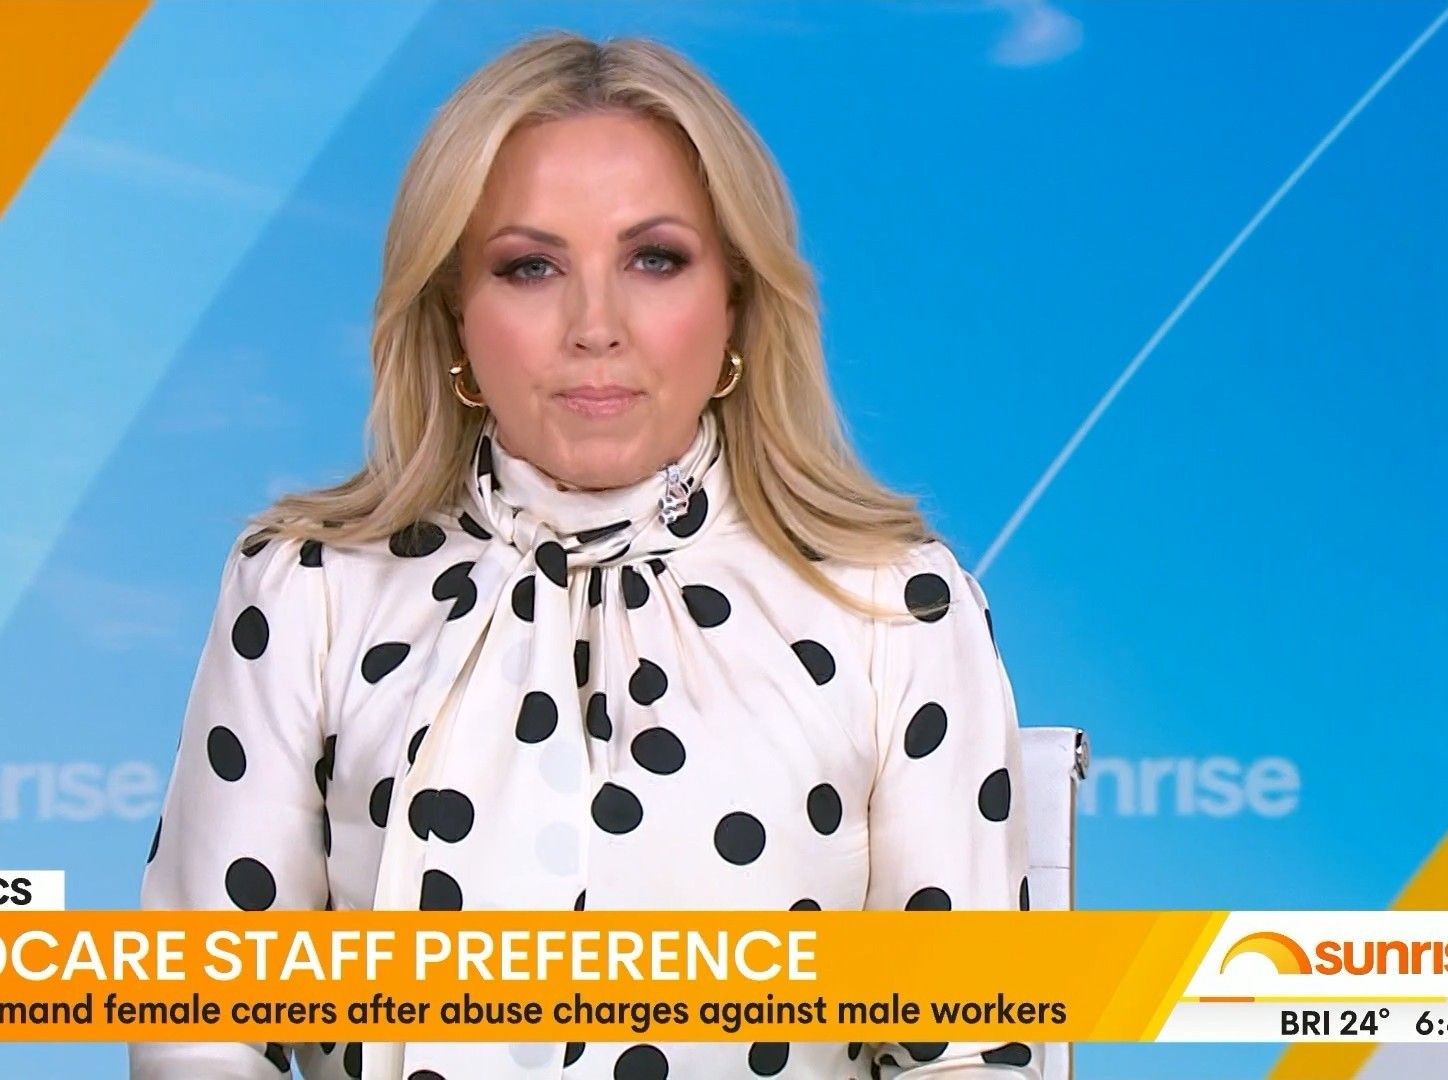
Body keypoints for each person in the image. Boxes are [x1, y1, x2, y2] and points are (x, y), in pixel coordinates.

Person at [132, 29, 1038, 1080]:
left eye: (655, 260)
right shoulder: (306, 590)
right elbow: (203, 1026)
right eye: (531, 267)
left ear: (738, 303)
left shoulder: (896, 606)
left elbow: (968, 1051)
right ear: (454, 314)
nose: (595, 326)